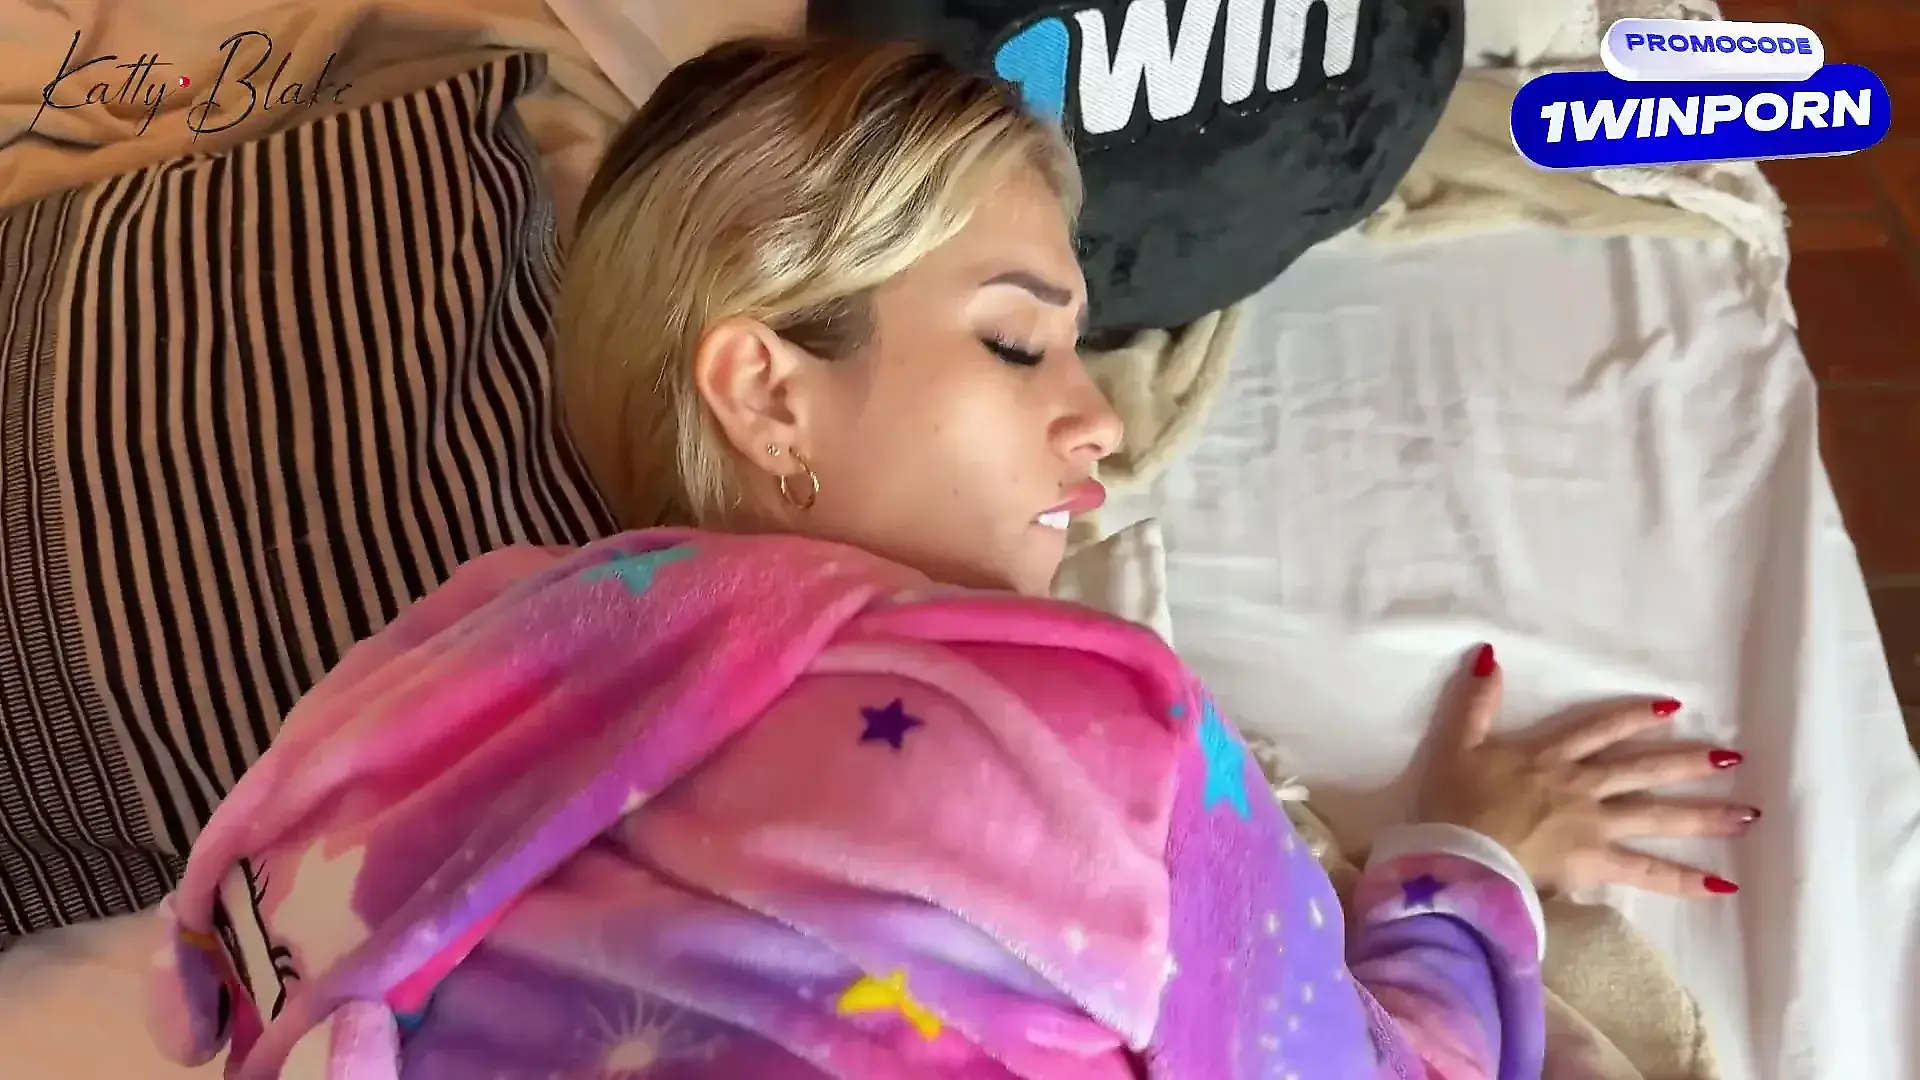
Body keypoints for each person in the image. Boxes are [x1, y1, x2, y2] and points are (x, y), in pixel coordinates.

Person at [145, 36, 1757, 1080]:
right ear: (766, 388)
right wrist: (1468, 868)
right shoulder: (1090, 733)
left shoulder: (403, 712)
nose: (1099, 423)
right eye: (1015, 342)